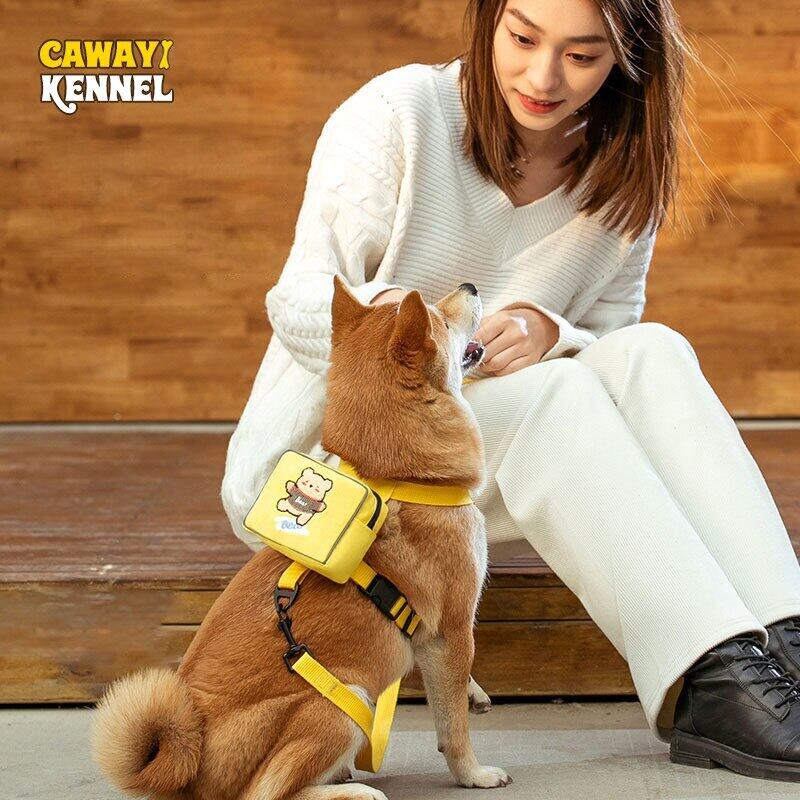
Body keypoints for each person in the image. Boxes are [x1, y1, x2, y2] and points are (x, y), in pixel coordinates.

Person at [221, 0, 800, 782]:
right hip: (329, 475)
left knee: (655, 353)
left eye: (582, 56)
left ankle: (786, 635)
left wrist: (548, 328)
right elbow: (296, 299)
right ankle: (710, 678)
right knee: (555, 400)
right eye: (523, 38)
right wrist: (404, 318)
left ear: (628, 57)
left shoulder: (622, 168)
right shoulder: (399, 115)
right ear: (490, 18)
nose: (542, 76)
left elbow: (614, 341)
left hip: (461, 472)